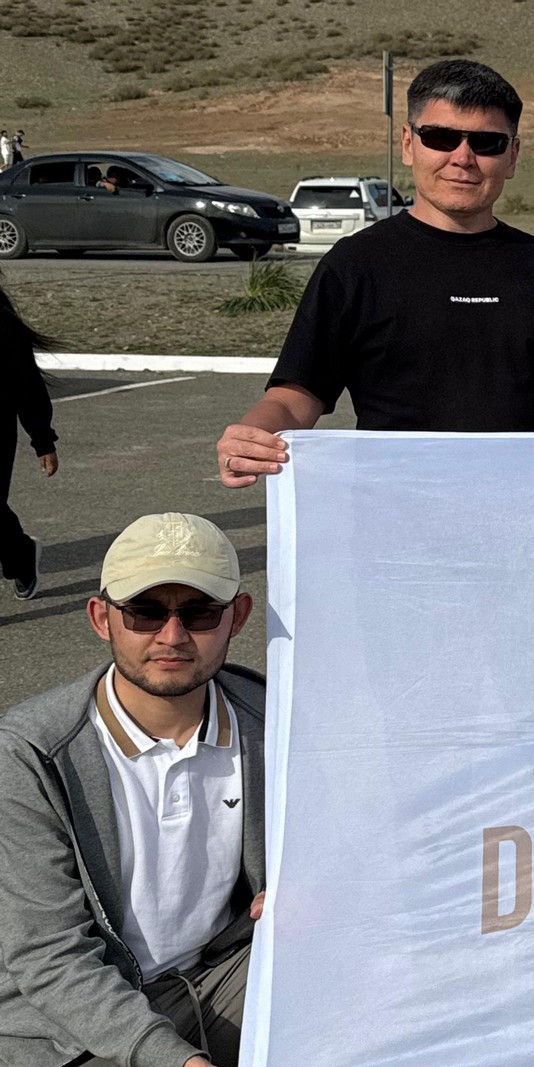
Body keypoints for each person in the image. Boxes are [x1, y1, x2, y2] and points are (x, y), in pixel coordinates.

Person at [214, 60, 534, 487]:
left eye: (487, 143)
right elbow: (294, 398)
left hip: (533, 516)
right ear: (408, 144)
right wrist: (253, 435)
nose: (462, 158)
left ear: (512, 156)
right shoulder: (355, 265)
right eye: (441, 137)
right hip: (395, 517)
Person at [0, 512, 267, 1067]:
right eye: (144, 611)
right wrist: (178, 1061)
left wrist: (309, 893)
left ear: (238, 616)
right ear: (102, 618)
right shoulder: (29, 752)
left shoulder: (272, 720)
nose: (172, 636)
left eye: (199, 611)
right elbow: (51, 957)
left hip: (222, 976)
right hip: (71, 1029)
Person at [1, 269, 57, 599]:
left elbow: (28, 386)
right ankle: (20, 553)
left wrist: (43, 440)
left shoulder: (4, 325)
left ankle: (21, 556)